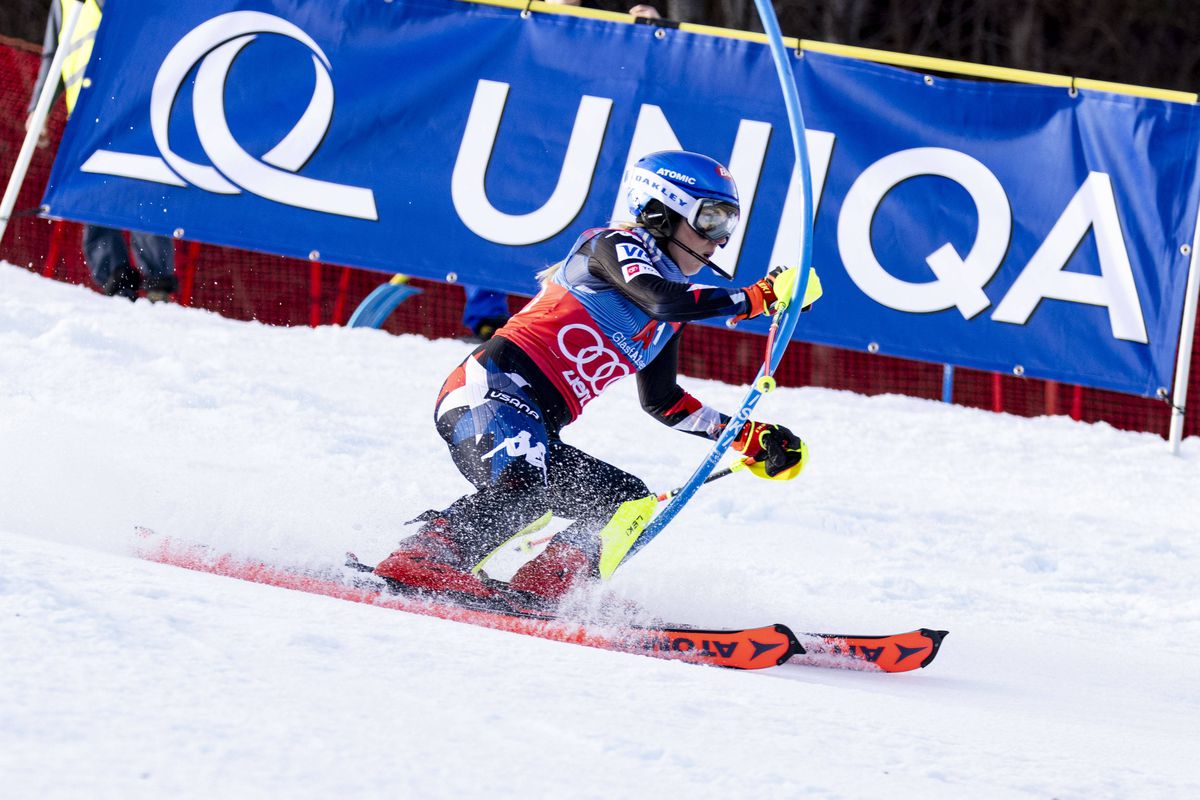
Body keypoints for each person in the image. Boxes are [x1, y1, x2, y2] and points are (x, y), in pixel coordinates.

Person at [376, 151, 815, 603]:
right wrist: (756, 297)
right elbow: (661, 298)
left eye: (728, 225)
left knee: (626, 504)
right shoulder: (614, 245)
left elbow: (663, 402)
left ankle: (548, 585)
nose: (718, 241)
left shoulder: (665, 320)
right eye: (710, 220)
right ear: (660, 211)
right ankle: (423, 557)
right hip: (488, 392)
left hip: (535, 426)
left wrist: (748, 437)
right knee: (528, 488)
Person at [29, 0, 177, 302]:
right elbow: (54, 57)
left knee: (142, 192)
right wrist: (39, 109)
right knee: (93, 199)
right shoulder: (64, 3)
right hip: (85, 121)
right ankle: (114, 281)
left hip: (136, 112)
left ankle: (157, 286)